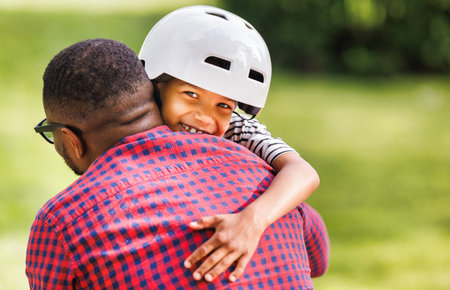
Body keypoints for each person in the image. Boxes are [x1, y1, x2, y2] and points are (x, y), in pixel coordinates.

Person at [27, 38, 329, 289]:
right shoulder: (265, 176)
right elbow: (319, 256)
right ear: (156, 93)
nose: (204, 117)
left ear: (70, 139)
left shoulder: (63, 220)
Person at [138, 5, 327, 282]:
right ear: (154, 84)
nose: (205, 117)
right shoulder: (137, 122)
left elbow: (303, 172)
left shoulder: (236, 129)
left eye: (223, 105)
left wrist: (251, 221)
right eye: (191, 93)